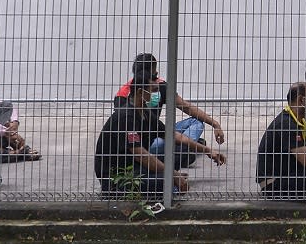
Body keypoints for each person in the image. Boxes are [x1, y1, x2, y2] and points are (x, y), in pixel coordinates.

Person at [95, 70, 225, 198]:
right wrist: (172, 174)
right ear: (141, 92)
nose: (157, 94)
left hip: (134, 168)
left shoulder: (144, 113)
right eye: (154, 90)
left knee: (176, 160)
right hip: (118, 178)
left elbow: (174, 136)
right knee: (168, 185)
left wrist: (207, 150)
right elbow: (141, 156)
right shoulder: (126, 117)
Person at [114, 53, 227, 167]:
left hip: (157, 133)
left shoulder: (159, 89)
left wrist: (215, 125)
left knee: (195, 123)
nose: (155, 88)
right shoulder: (125, 102)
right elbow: (130, 143)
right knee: (166, 146)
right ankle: (183, 152)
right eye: (154, 75)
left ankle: (184, 150)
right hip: (141, 144)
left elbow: (185, 108)